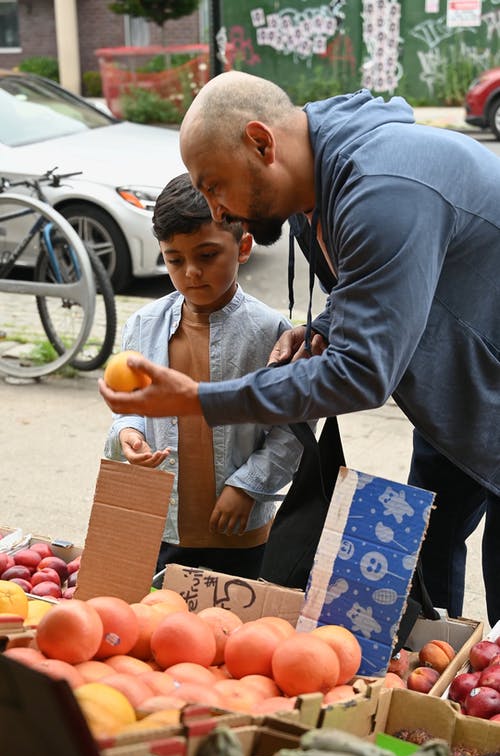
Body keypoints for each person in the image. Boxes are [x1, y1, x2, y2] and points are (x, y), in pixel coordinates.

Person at [99, 72, 500, 625]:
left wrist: (201, 398)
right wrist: (326, 325)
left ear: (263, 144)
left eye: (215, 186)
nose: (216, 211)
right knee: (427, 561)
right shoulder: (320, 185)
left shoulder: (381, 189)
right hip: (463, 385)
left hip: (482, 381)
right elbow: (378, 282)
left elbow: (361, 375)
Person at [103, 172, 303, 580]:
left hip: (242, 530)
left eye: (207, 255)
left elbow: (293, 428)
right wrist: (129, 435)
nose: (191, 272)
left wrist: (248, 485)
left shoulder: (273, 332)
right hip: (164, 524)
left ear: (243, 246)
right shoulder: (142, 325)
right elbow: (129, 408)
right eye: (175, 260)